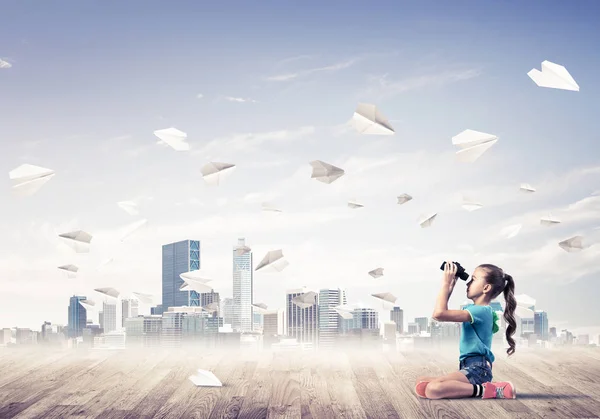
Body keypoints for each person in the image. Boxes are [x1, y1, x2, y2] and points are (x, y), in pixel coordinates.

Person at [414, 261, 517, 399]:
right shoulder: (477, 311)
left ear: (486, 288)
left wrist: (445, 284)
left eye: (473, 280)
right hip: (470, 367)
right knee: (422, 382)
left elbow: (439, 314)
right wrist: (450, 287)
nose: (467, 283)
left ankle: (492, 390)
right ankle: (482, 387)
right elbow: (441, 314)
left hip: (478, 369)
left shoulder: (480, 311)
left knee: (433, 389)